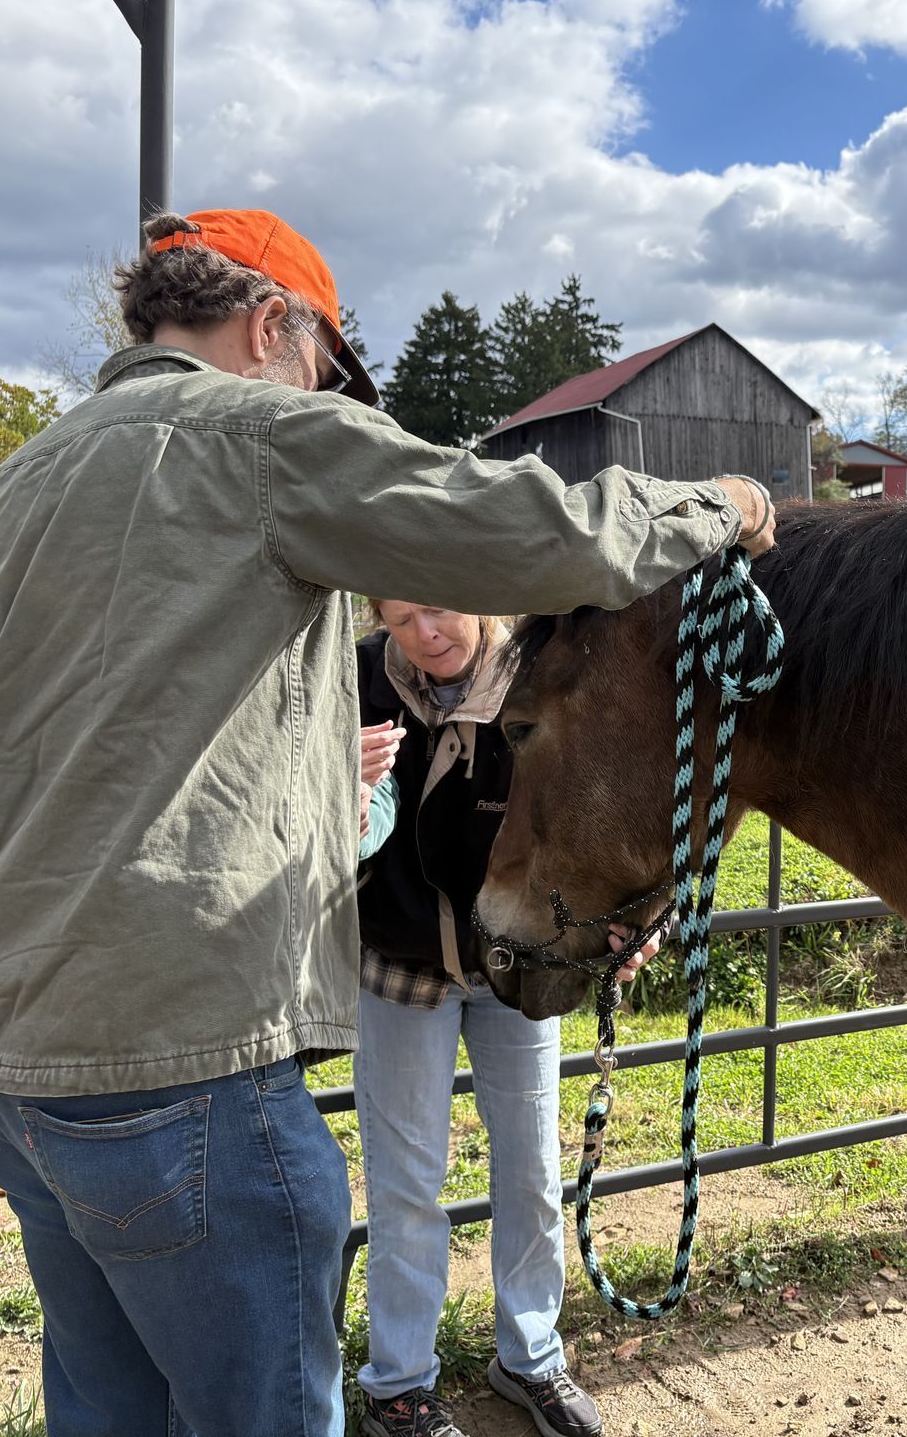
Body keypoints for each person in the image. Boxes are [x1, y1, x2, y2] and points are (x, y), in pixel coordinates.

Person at [0, 207, 774, 1437]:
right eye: (333, 372)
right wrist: (717, 503)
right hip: (173, 1057)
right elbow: (532, 531)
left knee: (107, 1406)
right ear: (271, 327)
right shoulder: (263, 436)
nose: (334, 399)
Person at [350, 602, 648, 1437]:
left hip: (520, 965)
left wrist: (626, 924)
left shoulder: (538, 676)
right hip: (401, 965)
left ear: (477, 598)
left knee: (530, 1170)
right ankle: (399, 1384)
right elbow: (304, 827)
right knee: (406, 1182)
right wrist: (339, 782)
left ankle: (530, 1355)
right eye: (401, 618)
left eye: (437, 610)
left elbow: (603, 811)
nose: (425, 636)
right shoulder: (359, 683)